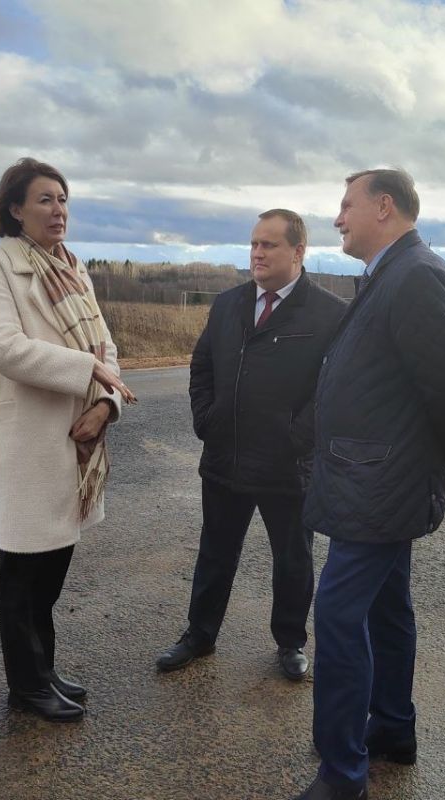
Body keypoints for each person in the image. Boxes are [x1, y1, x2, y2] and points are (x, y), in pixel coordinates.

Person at [293, 169, 445, 800]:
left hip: (379, 485)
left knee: (338, 612)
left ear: (384, 207)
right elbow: (408, 384)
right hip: (373, 477)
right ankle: (392, 730)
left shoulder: (415, 275)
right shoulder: (392, 273)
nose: (337, 218)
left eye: (346, 205)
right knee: (387, 608)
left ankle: (342, 772)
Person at [0, 158, 136, 723]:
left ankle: (42, 668)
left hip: (77, 437)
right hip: (26, 441)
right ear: (15, 209)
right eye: (44, 199)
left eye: (63, 199)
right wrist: (90, 371)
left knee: (53, 567)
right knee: (20, 570)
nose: (58, 209)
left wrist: (105, 406)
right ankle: (26, 685)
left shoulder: (75, 267)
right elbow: (6, 348)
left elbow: (107, 349)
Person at [156, 209, 347, 681]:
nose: (257, 253)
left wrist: (298, 437)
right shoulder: (228, 304)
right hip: (225, 457)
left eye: (270, 245)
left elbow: (334, 389)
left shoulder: (329, 314)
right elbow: (202, 366)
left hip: (287, 465)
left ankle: (290, 642)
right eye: (254, 244)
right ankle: (199, 635)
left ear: (298, 251)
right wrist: (207, 418)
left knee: (293, 557)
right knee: (215, 551)